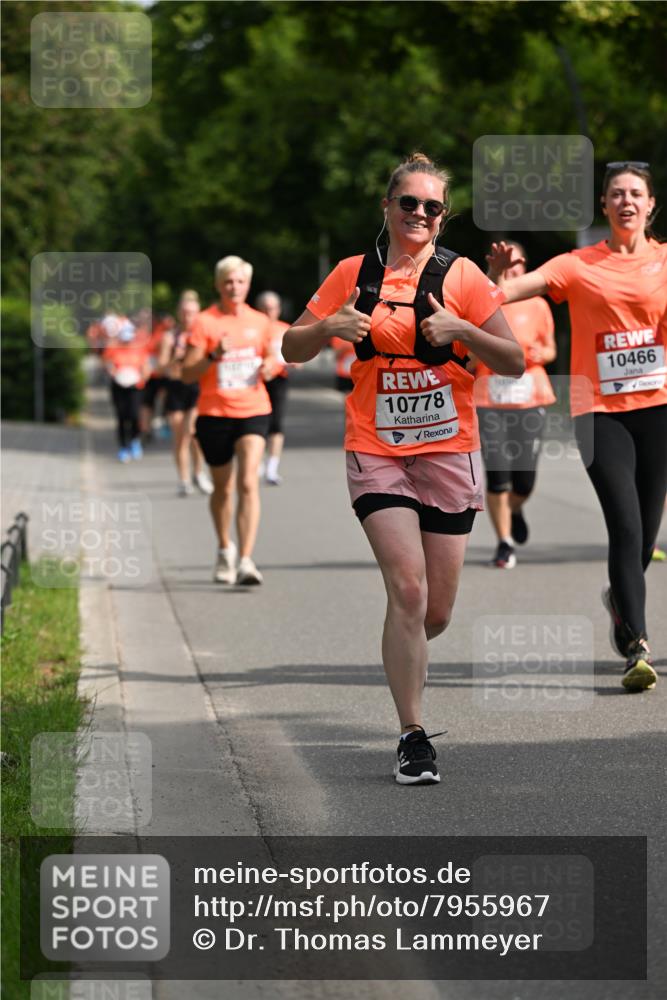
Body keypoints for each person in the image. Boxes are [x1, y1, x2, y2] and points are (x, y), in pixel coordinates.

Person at [283, 152, 523, 784]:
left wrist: (464, 329)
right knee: (408, 589)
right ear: (386, 207)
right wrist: (329, 325)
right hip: (376, 447)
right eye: (408, 202)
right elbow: (290, 346)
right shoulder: (350, 273)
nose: (419, 213)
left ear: (443, 220)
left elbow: (516, 361)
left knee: (434, 611)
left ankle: (406, 643)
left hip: (448, 451)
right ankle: (413, 735)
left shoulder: (463, 275)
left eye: (432, 207)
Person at [487, 161, 667, 693]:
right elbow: (510, 295)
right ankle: (636, 645)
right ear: (605, 206)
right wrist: (499, 280)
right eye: (616, 194)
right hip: (599, 412)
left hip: (658, 407)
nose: (626, 201)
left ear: (650, 205)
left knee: (646, 537)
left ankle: (619, 597)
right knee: (626, 525)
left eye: (636, 193)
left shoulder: (665, 262)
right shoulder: (578, 264)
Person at [182, 256, 277, 585]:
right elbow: (186, 373)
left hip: (253, 409)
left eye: (239, 281)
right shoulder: (205, 323)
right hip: (214, 413)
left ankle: (247, 561)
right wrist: (213, 356)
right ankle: (225, 549)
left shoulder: (260, 321)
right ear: (218, 285)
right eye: (228, 282)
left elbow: (273, 357)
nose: (234, 287)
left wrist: (270, 367)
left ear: (247, 285)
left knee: (248, 481)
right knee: (222, 487)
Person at [472, 241, 557, 568]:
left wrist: (539, 355)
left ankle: (515, 506)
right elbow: (466, 350)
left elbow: (550, 350)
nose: (513, 273)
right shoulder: (480, 306)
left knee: (524, 480)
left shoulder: (537, 304)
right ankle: (504, 542)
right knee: (497, 476)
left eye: (519, 267)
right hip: (489, 399)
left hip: (530, 398)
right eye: (507, 268)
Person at [157, 291, 213, 497]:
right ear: (179, 313)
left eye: (192, 312)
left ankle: (199, 472)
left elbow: (211, 362)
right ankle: (183, 479)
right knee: (180, 437)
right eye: (184, 312)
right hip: (176, 388)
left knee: (194, 433)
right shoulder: (170, 336)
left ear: (198, 313)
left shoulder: (203, 335)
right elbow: (161, 367)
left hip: (197, 388)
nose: (188, 316)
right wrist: (176, 359)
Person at [255, 291, 291, 485]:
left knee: (276, 424)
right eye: (265, 308)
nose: (269, 312)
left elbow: (297, 355)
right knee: (259, 423)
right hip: (256, 380)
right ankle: (257, 462)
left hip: (279, 380)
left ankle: (271, 468)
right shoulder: (253, 327)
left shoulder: (285, 329)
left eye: (272, 308)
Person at [102, 319, 152, 462]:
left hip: (135, 387)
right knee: (122, 417)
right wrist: (112, 371)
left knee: (134, 415)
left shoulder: (139, 348)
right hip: (119, 386)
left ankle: (135, 439)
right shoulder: (113, 348)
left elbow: (146, 367)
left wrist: (142, 377)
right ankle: (123, 447)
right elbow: (106, 363)